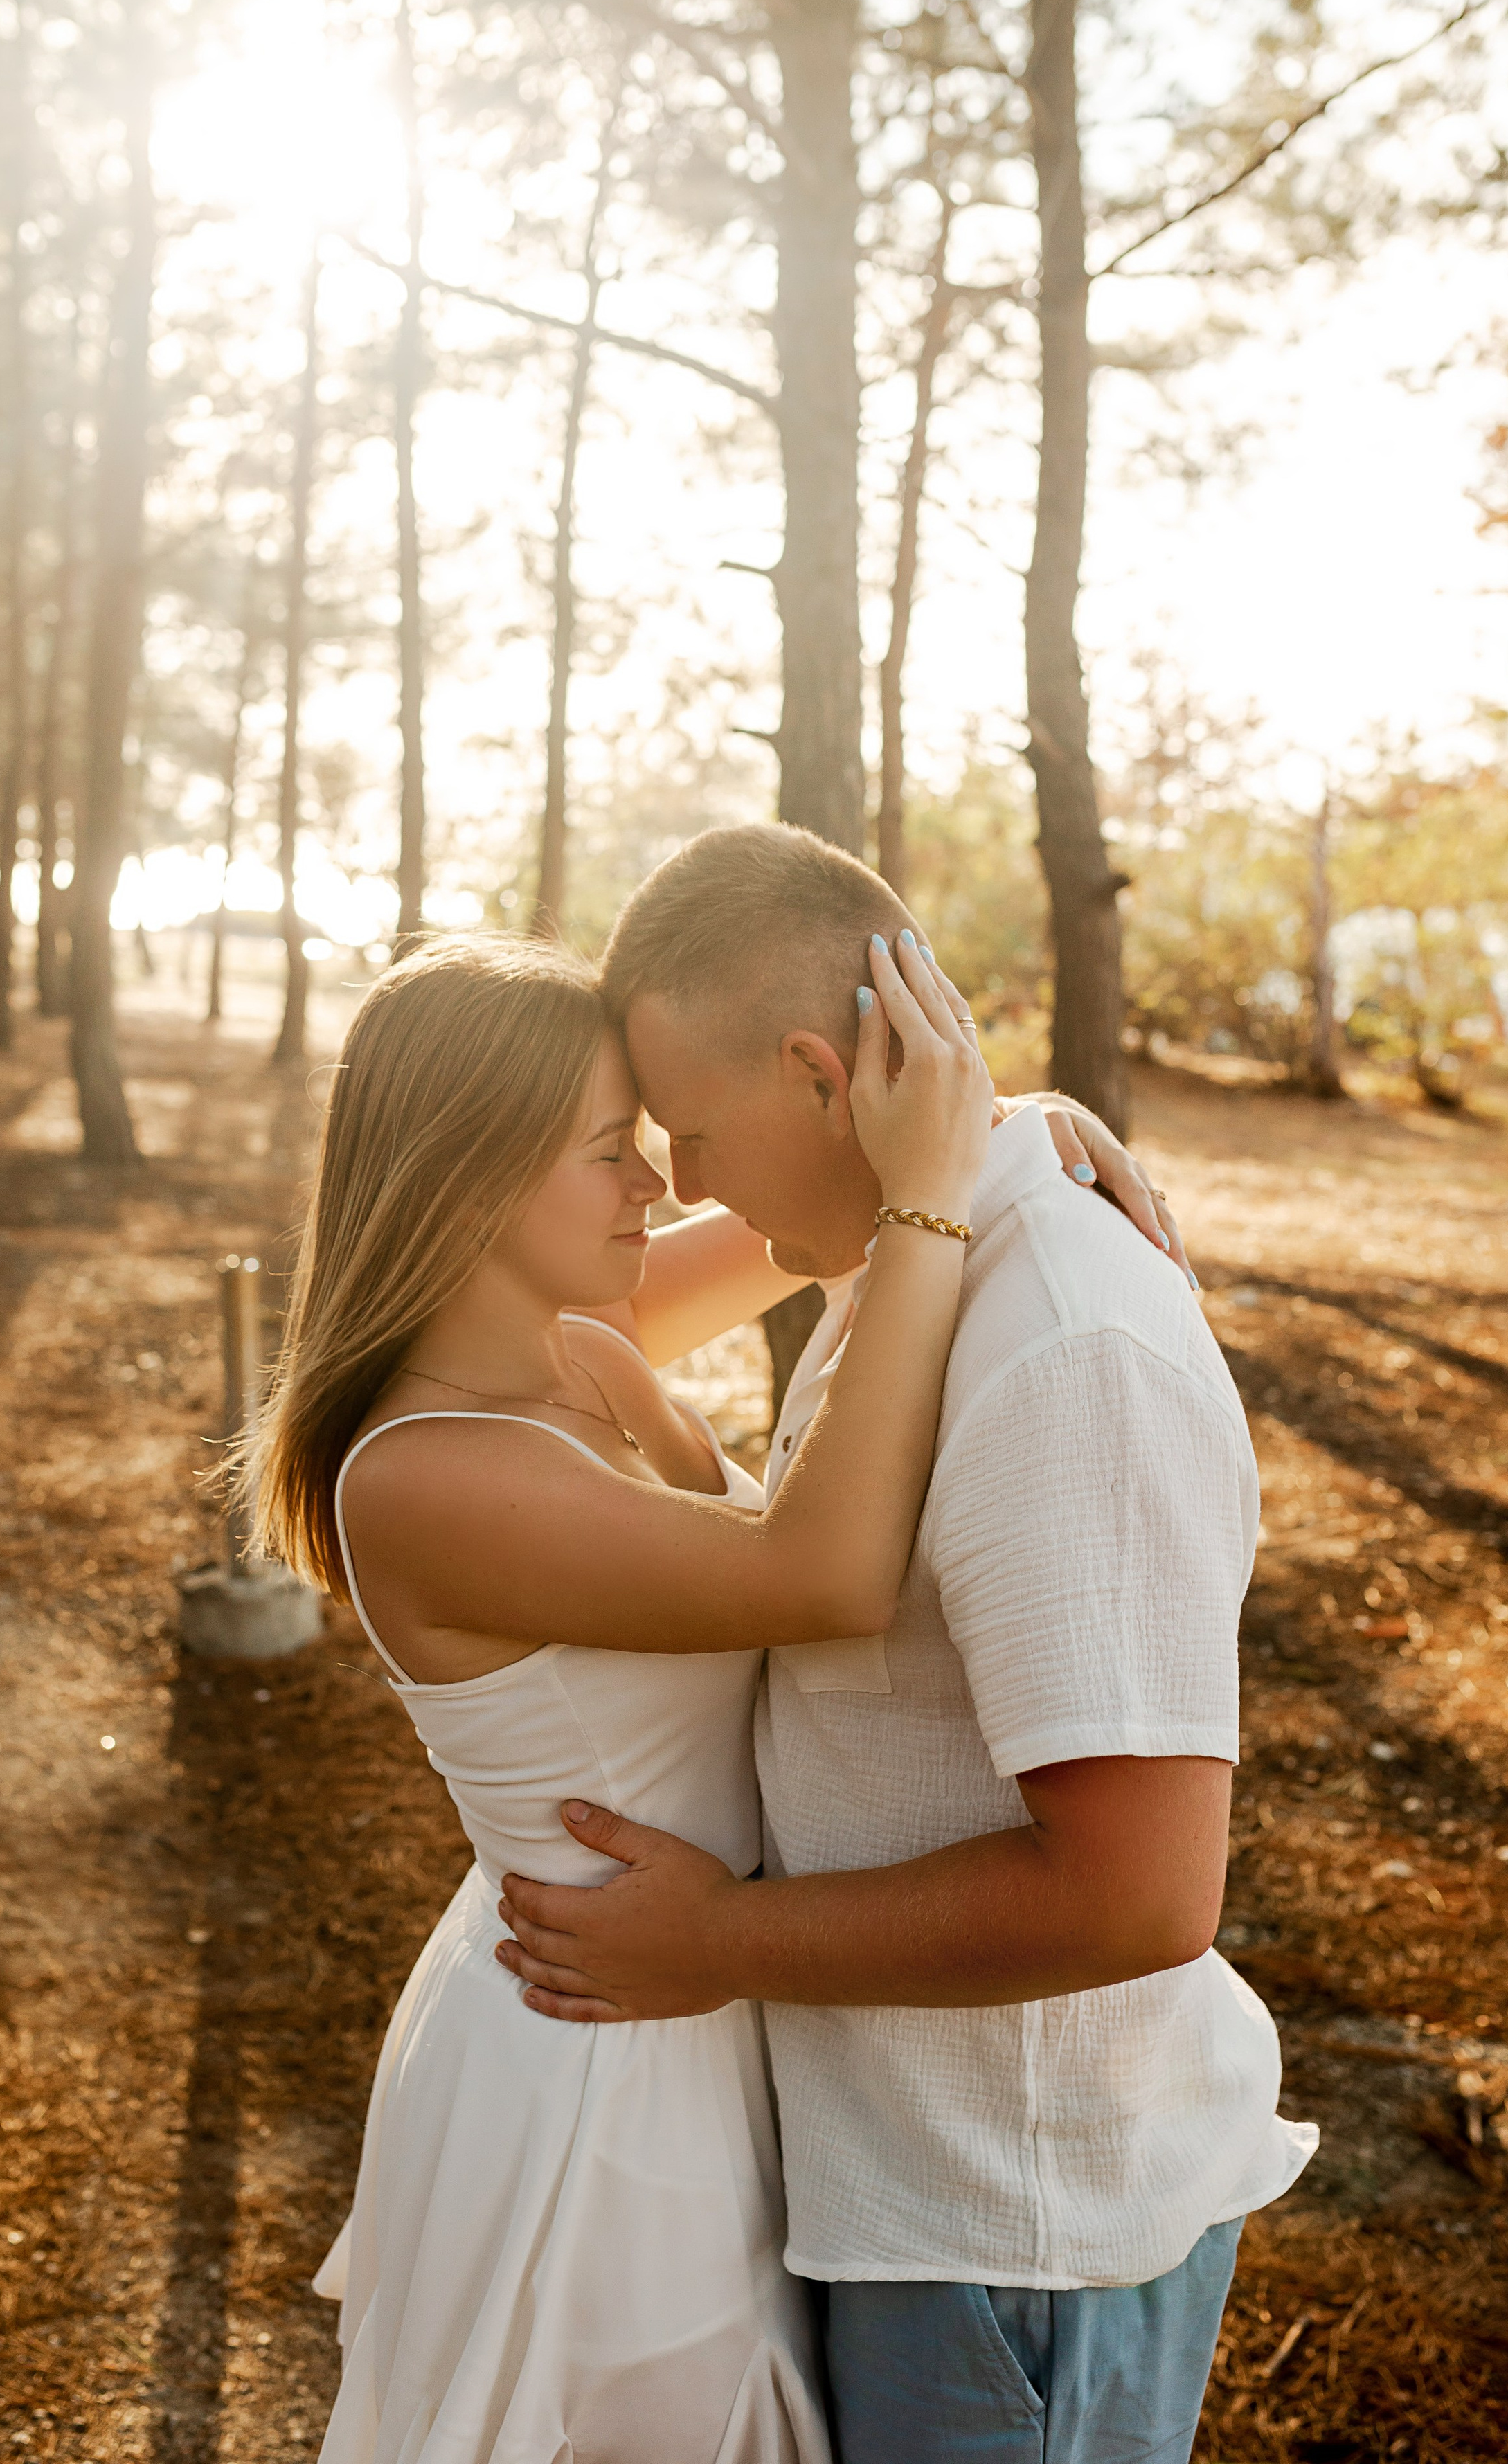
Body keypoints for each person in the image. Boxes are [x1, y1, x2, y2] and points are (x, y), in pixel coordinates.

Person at [249, 924, 1146, 2464]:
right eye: (611, 1153)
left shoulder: (578, 1342)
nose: (657, 1186)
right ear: (469, 1180)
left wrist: (1010, 1122)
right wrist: (937, 1207)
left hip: (691, 1996)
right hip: (596, 2068)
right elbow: (824, 1574)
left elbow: (814, 1206)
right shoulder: (426, 1475)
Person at [494, 823, 1319, 2464]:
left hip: (1015, 2232)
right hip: (921, 2196)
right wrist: (1000, 1126)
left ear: (821, 1073)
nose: (688, 1187)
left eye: (693, 1134)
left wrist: (719, 1944)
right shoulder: (919, 1257)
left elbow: (1138, 1894)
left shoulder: (1057, 1339)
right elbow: (546, 1314)